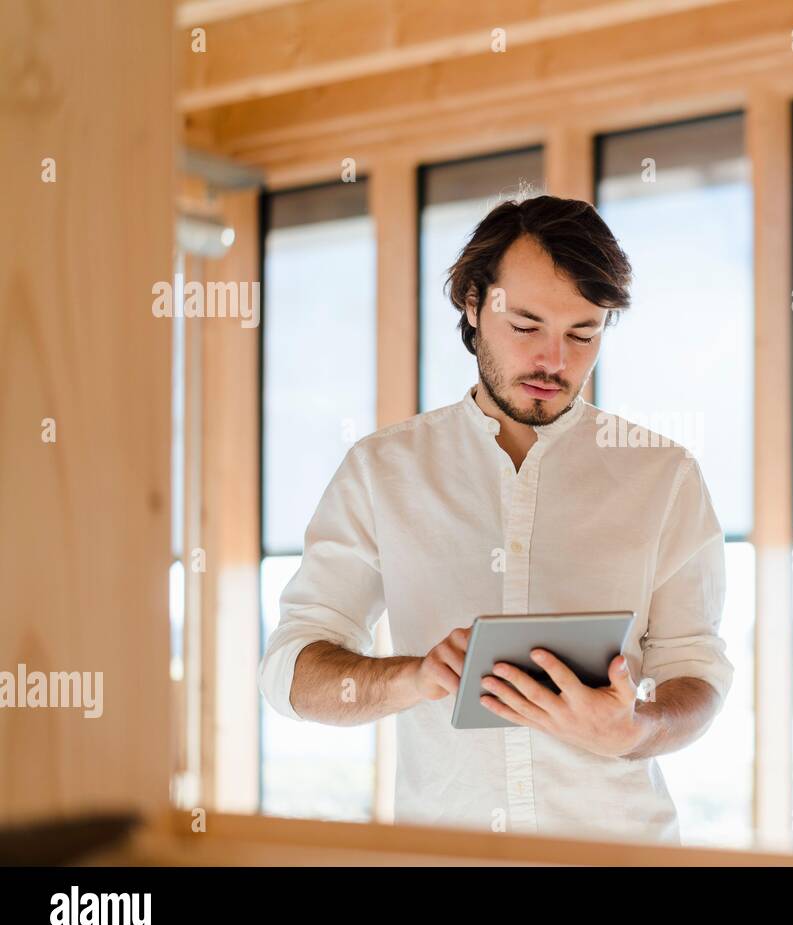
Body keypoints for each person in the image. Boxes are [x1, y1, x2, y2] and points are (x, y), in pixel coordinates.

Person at [257, 194, 733, 845]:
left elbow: (697, 675)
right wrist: (414, 677)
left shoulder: (665, 477)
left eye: (582, 334)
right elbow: (290, 675)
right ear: (474, 304)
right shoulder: (381, 471)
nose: (553, 362)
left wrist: (636, 730)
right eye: (527, 325)